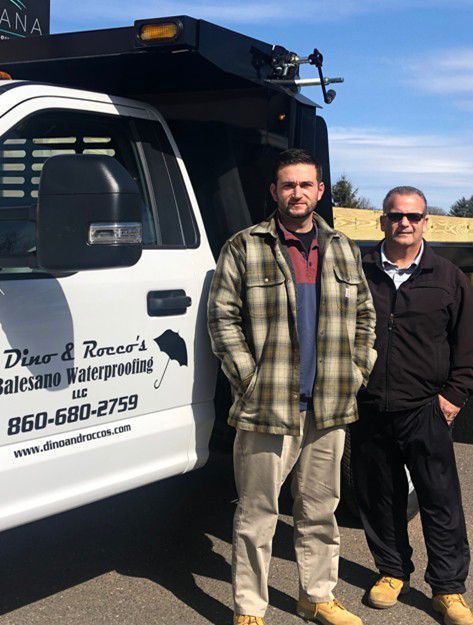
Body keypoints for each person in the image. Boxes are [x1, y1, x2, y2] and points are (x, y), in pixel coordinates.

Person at [207, 149, 377, 625]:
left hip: (329, 406)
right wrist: (249, 378)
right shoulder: (245, 246)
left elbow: (365, 315)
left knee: (321, 511)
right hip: (268, 406)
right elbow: (221, 319)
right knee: (257, 515)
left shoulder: (342, 247)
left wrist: (358, 369)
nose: (297, 193)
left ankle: (317, 596)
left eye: (306, 185)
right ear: (274, 192)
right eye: (288, 185)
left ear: (320, 191)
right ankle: (250, 608)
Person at [351, 186, 473, 625]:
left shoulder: (448, 277)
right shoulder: (356, 270)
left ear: (426, 223)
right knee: (379, 496)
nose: (404, 223)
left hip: (427, 408)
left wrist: (454, 396)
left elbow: (466, 344)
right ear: (381, 221)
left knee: (440, 499)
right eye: (395, 215)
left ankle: (448, 588)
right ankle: (391, 571)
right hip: (368, 406)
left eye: (413, 216)